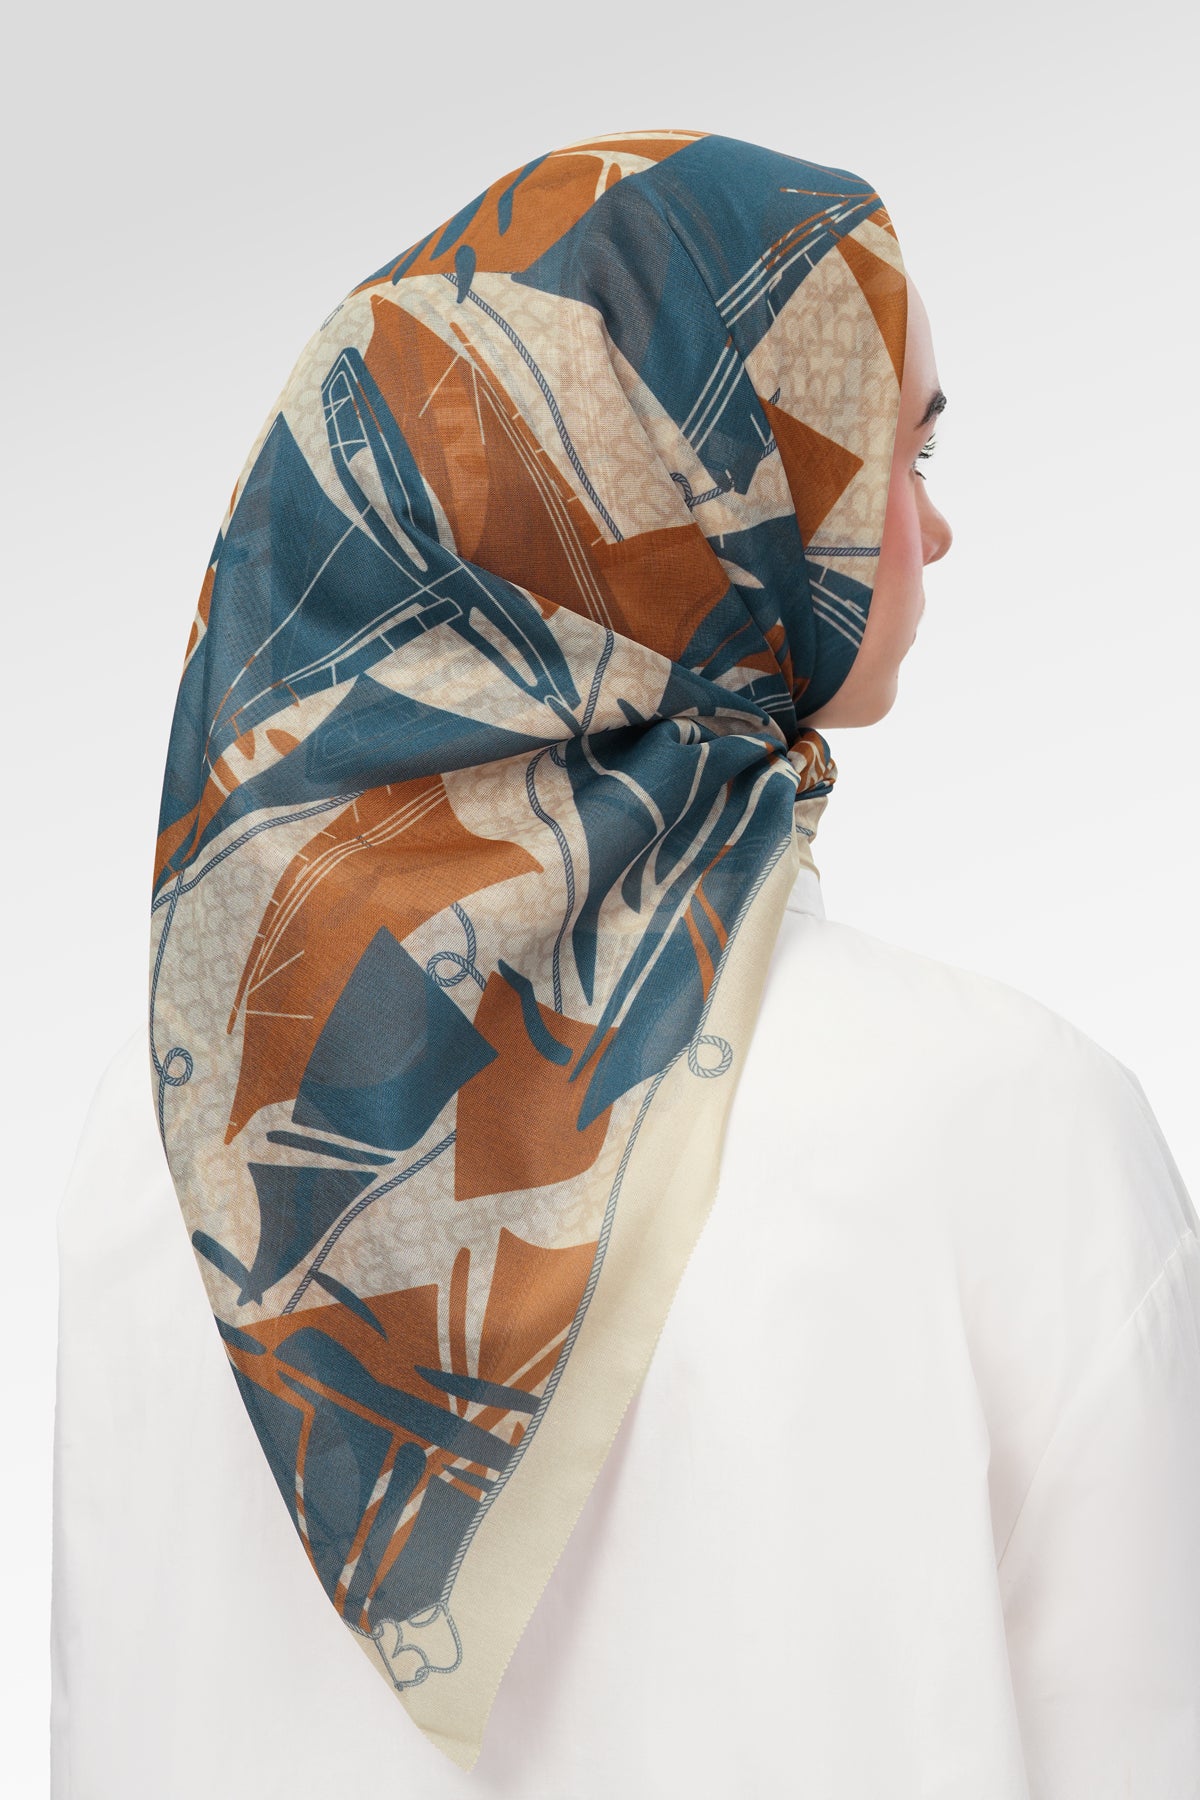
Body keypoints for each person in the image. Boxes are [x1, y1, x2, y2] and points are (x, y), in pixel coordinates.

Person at [52, 130, 1200, 1798]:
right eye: (899, 452)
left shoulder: (155, 1134)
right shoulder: (1012, 1122)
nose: (935, 529)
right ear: (709, 494)